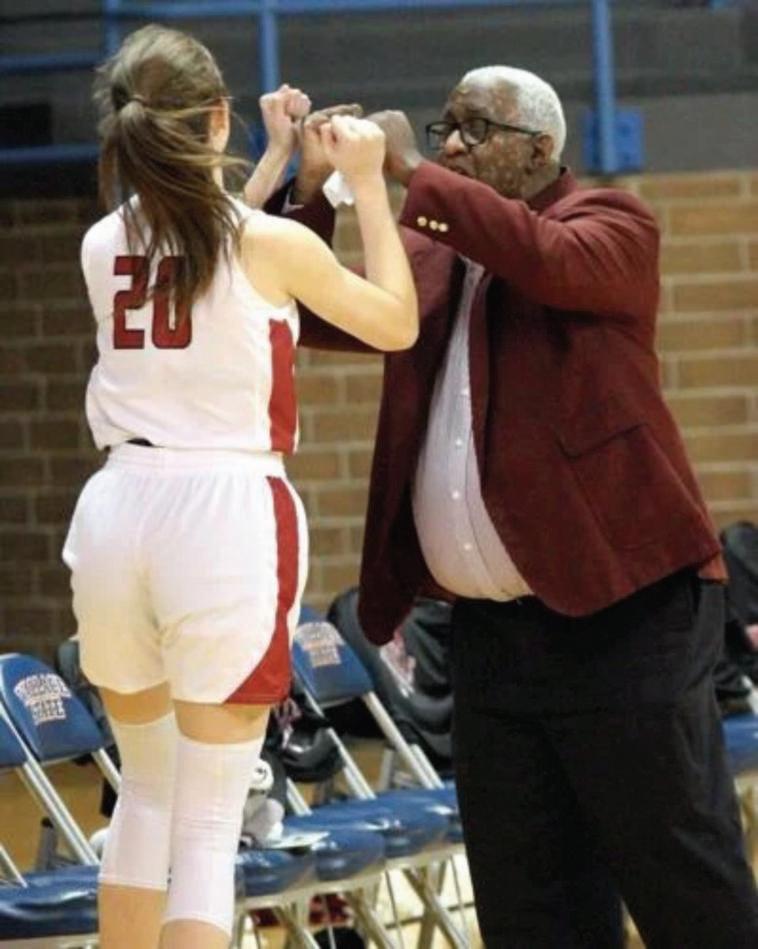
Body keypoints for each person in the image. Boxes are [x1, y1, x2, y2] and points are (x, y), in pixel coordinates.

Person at [267, 65, 758, 947]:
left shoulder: (611, 224)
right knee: (529, 903)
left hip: (625, 617)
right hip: (491, 639)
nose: (452, 143)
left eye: (475, 128)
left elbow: (540, 259)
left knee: (684, 881)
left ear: (540, 150)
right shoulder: (427, 252)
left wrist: (409, 170)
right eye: (444, 127)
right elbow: (311, 310)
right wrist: (309, 192)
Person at [63, 24, 416, 949]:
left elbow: (206, 251)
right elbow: (396, 323)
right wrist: (366, 184)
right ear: (218, 118)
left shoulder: (102, 243)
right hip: (222, 514)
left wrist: (270, 165)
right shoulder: (267, 245)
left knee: (146, 793)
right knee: (211, 822)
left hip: (116, 510)